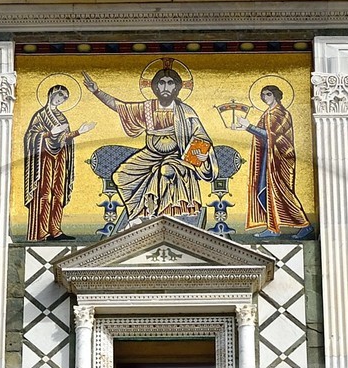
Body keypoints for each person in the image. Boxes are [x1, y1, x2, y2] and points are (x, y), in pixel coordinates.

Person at [81, 63, 215, 224]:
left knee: (166, 171)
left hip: (176, 156)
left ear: (177, 88)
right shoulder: (146, 108)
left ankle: (165, 214)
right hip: (150, 155)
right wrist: (97, 91)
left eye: (170, 83)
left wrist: (202, 156)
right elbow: (119, 107)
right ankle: (138, 214)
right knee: (120, 176)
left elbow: (201, 137)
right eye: (162, 83)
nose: (165, 87)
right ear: (156, 87)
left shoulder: (185, 111)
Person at [22, 83, 87, 239]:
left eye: (64, 98)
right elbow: (30, 137)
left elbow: (64, 137)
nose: (61, 99)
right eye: (60, 95)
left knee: (59, 192)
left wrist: (78, 132)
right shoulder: (41, 115)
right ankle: (42, 231)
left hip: (60, 156)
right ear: (52, 94)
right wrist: (48, 134)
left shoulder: (62, 117)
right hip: (44, 156)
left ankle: (56, 230)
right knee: (44, 192)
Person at [246, 85, 309, 232]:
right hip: (267, 159)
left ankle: (305, 225)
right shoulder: (266, 114)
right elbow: (263, 135)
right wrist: (245, 128)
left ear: (276, 95)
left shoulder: (282, 114)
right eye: (263, 95)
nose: (265, 97)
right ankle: (273, 227)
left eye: (268, 94)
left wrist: (249, 127)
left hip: (280, 159)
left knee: (283, 193)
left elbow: (272, 135)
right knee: (263, 191)